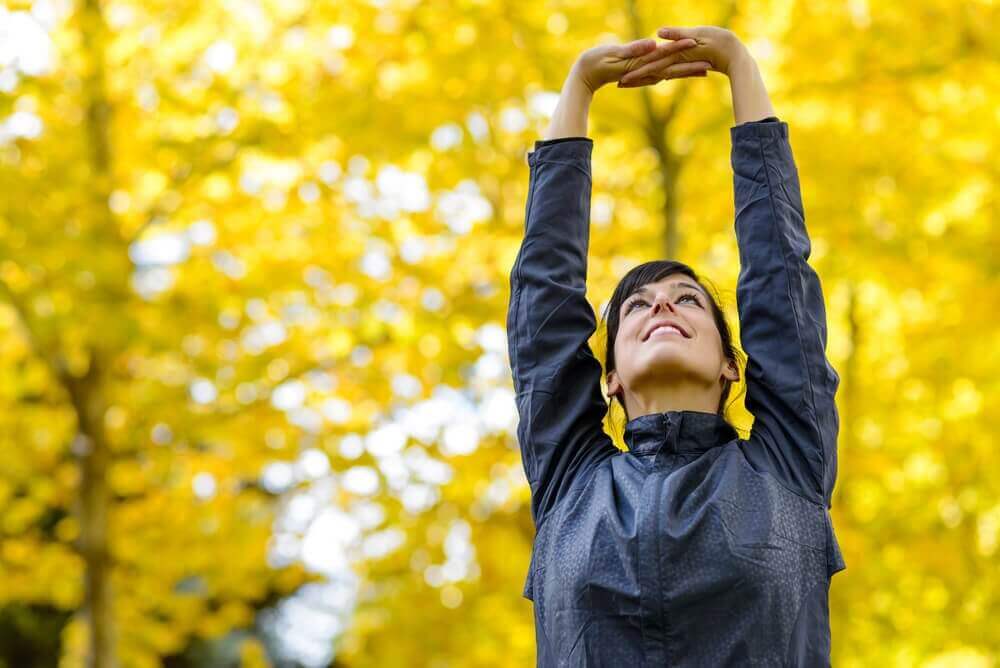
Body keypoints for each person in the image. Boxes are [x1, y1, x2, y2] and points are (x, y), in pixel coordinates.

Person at [506, 25, 846, 666]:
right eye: (635, 306)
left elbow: (780, 276)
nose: (661, 304)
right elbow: (542, 307)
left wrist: (739, 67)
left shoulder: (787, 464)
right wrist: (579, 87)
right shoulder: (570, 482)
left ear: (730, 364)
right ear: (608, 378)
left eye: (689, 300)